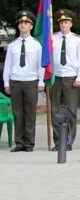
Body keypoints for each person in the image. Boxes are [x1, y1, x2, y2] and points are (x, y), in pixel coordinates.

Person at [2, 10, 45, 152]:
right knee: (17, 113)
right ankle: (19, 142)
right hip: (15, 81)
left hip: (30, 81)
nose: (23, 25)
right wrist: (6, 83)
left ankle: (29, 143)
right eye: (21, 23)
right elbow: (7, 65)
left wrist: (41, 82)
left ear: (31, 26)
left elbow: (41, 66)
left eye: (26, 23)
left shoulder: (37, 45)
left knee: (30, 113)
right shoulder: (13, 45)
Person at [50, 9, 80, 151]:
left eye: (66, 22)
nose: (63, 24)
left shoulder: (77, 40)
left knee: (70, 110)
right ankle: (58, 142)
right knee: (55, 110)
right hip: (56, 77)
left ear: (71, 23)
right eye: (61, 22)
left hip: (71, 78)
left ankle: (69, 141)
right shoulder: (52, 38)